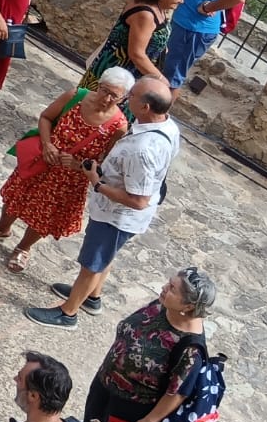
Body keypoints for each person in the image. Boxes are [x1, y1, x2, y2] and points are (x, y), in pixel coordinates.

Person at [26, 79, 181, 329]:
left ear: (145, 107)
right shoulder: (167, 126)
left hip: (117, 216)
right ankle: (92, 297)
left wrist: (97, 183)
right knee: (106, 256)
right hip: (119, 214)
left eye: (132, 96)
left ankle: (68, 312)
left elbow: (138, 200)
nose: (126, 98)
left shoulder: (143, 148)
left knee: (92, 263)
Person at [59, 267, 215, 422]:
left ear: (188, 306)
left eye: (172, 288)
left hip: (132, 403)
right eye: (169, 282)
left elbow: (177, 392)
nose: (164, 288)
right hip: (107, 381)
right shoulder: (164, 305)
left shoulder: (190, 348)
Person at [0, 70, 133, 274]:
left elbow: (104, 162)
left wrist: (78, 164)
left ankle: (24, 247)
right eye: (104, 91)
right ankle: (1, 228)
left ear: (124, 98)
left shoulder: (118, 126)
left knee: (46, 216)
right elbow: (46, 117)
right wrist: (47, 144)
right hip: (43, 161)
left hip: (70, 178)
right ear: (98, 85)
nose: (107, 98)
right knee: (17, 197)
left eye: (114, 96)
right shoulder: (76, 96)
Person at [83, 0, 187, 91]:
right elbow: (137, 54)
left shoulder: (159, 8)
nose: (182, 0)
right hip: (118, 78)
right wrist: (161, 80)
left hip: (131, 75)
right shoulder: (145, 14)